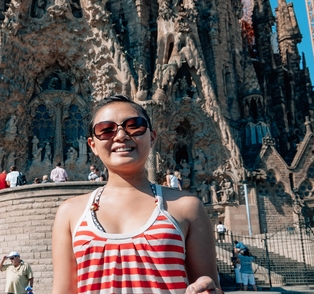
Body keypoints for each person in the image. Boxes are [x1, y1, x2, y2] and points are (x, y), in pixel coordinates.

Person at [51, 94, 221, 294]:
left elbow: (208, 284)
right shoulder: (70, 213)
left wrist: (209, 290)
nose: (121, 136)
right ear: (92, 145)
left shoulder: (186, 206)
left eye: (134, 125)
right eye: (106, 130)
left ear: (152, 137)